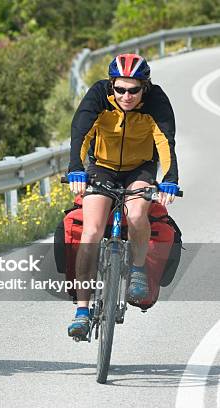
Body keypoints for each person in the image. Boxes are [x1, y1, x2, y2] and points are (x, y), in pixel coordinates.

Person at [65, 53, 180, 339]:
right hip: (101, 167)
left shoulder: (156, 102)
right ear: (111, 85)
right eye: (120, 89)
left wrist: (170, 179)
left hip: (140, 168)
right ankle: (81, 310)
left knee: (138, 213)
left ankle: (138, 269)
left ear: (145, 87)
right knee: (90, 231)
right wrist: (76, 170)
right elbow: (80, 134)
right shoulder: (98, 96)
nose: (126, 96)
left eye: (133, 90)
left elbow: (166, 142)